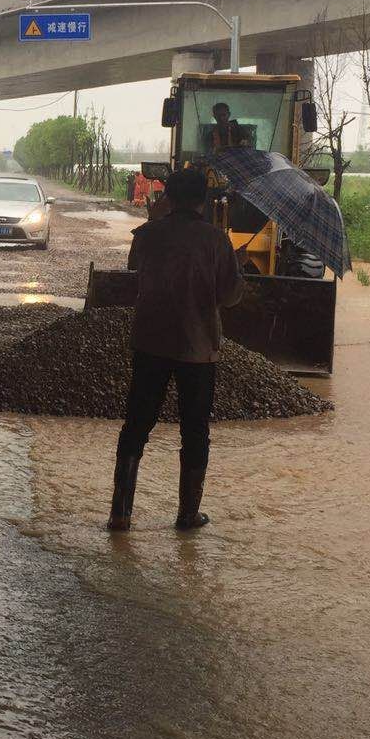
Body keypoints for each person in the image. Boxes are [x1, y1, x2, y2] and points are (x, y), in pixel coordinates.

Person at [108, 166, 244, 533]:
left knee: (136, 425)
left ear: (169, 196)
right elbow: (229, 296)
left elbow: (134, 265)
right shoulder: (217, 241)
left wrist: (152, 220)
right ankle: (187, 515)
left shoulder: (149, 235)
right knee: (195, 430)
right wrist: (237, 268)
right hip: (197, 349)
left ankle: (120, 514)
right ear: (204, 200)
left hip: (150, 342)